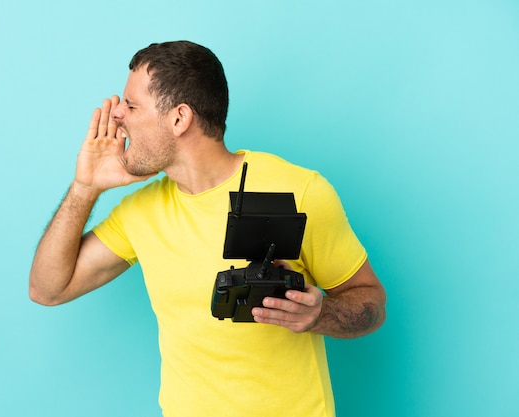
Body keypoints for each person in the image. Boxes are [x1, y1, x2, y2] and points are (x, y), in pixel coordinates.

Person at [29, 40, 386, 417]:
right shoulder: (140, 211)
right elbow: (47, 289)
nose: (117, 114)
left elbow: (371, 302)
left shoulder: (301, 191)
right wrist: (85, 188)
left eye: (132, 105)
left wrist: (320, 315)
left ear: (179, 118)